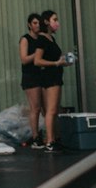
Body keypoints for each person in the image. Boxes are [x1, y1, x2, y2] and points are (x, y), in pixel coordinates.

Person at [32, 9, 66, 151]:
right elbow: (37, 61)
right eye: (55, 20)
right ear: (46, 21)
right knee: (51, 110)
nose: (57, 23)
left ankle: (52, 138)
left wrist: (62, 61)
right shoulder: (42, 39)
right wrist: (55, 63)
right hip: (50, 77)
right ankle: (50, 141)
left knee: (54, 110)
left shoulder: (51, 38)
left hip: (56, 76)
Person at [19, 12, 44, 148]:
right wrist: (37, 54)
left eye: (39, 23)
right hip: (30, 76)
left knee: (45, 107)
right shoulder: (25, 39)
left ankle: (47, 135)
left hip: (42, 75)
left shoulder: (42, 39)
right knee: (35, 108)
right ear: (29, 24)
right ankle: (35, 137)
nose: (37, 25)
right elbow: (24, 59)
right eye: (34, 23)